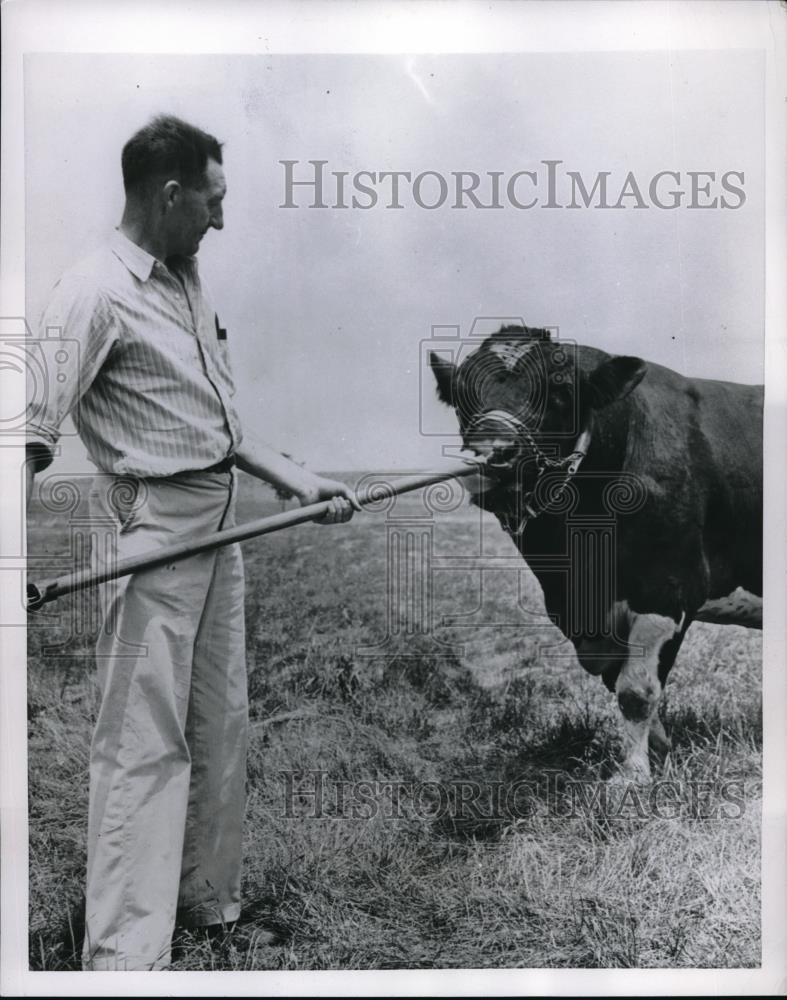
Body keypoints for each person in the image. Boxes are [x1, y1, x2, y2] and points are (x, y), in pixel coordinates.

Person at [25, 114, 359, 971]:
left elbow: (214, 422)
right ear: (169, 194)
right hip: (153, 531)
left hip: (222, 521)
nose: (220, 220)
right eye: (212, 202)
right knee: (142, 738)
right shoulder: (91, 290)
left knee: (219, 720)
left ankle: (207, 908)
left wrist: (293, 478)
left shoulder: (185, 277)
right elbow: (23, 429)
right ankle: (126, 956)